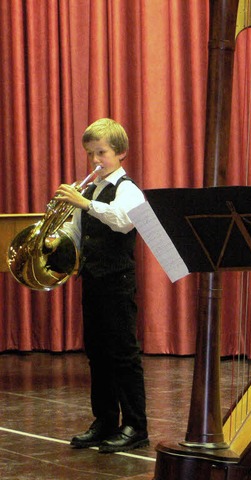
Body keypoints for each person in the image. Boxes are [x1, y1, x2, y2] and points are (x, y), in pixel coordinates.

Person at [47, 118, 149, 453]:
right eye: (91, 154)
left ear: (121, 153)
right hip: (92, 280)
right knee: (98, 355)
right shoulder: (90, 190)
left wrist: (85, 203)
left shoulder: (128, 189)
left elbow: (122, 222)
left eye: (101, 153)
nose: (95, 160)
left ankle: (135, 425)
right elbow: (77, 234)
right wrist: (53, 241)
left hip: (118, 282)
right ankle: (105, 420)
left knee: (123, 355)